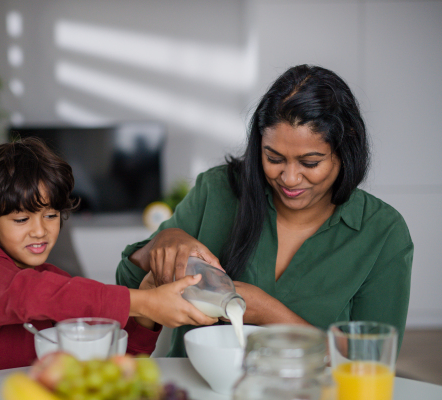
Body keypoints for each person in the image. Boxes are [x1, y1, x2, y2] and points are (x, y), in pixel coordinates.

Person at [116, 64, 413, 357]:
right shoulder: (218, 190)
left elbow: (372, 357)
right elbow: (128, 284)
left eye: (310, 163)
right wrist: (164, 240)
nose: (290, 178)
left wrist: (267, 312)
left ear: (346, 146)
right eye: (274, 157)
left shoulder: (382, 232)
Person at [0, 138, 217, 379]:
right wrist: (145, 303)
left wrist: (147, 303)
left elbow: (119, 361)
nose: (40, 230)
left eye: (51, 215)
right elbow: (29, 294)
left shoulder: (56, 282)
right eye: (22, 219)